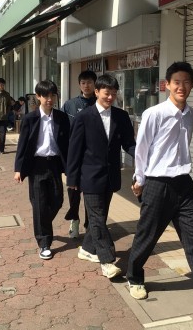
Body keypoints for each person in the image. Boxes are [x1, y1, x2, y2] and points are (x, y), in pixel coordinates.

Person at [126, 62, 193, 309]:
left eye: (186, 82)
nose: (181, 87)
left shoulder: (191, 114)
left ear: (192, 85)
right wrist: (139, 180)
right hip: (157, 184)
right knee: (147, 236)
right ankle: (134, 277)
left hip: (184, 184)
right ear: (167, 85)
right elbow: (142, 150)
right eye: (177, 82)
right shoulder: (154, 114)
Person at [66, 74, 135, 279]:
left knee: (100, 217)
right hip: (89, 176)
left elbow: (129, 144)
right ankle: (107, 261)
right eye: (107, 93)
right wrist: (72, 179)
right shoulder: (84, 117)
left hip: (111, 176)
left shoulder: (121, 116)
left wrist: (144, 157)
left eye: (114, 93)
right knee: (96, 218)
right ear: (97, 92)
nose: (111, 97)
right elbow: (74, 149)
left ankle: (87, 249)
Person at [14, 80, 70, 260]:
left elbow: (67, 144)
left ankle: (42, 224)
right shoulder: (30, 118)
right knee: (39, 203)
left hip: (54, 164)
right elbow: (22, 145)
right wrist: (18, 169)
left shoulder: (61, 117)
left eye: (52, 95)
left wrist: (71, 167)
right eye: (45, 95)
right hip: (36, 166)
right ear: (38, 97)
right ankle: (44, 242)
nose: (49, 99)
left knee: (58, 200)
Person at [61, 70, 97, 238]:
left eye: (89, 82)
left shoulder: (100, 103)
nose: (86, 86)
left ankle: (90, 225)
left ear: (95, 84)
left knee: (92, 193)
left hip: (93, 157)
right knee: (73, 191)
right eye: (83, 83)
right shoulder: (70, 104)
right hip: (74, 156)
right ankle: (74, 220)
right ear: (79, 85)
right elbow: (62, 130)